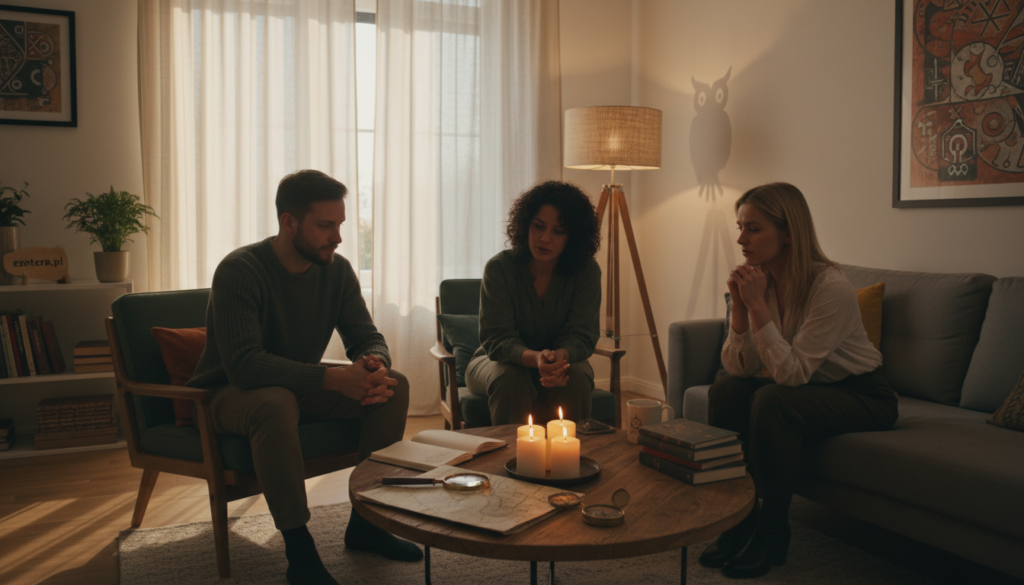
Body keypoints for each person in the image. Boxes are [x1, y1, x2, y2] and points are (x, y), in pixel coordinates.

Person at [187, 170, 422, 585]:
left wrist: (373, 361)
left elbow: (366, 335)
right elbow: (245, 365)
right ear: (289, 222)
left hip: (293, 388)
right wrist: (333, 380)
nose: (337, 237)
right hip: (226, 394)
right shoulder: (239, 271)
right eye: (326, 226)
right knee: (273, 401)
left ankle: (368, 521)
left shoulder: (336, 270)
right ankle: (299, 548)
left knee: (393, 385)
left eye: (340, 225)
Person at [698, 182, 898, 579]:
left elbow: (791, 374)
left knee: (773, 400)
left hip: (862, 395)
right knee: (725, 390)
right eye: (740, 227)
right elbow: (739, 369)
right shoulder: (762, 281)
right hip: (808, 389)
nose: (740, 239)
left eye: (753, 228)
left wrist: (755, 305)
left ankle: (773, 532)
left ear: (788, 232)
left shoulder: (830, 287)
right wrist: (740, 308)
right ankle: (737, 521)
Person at [465, 181, 602, 425]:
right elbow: (496, 340)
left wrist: (559, 357)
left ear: (573, 237)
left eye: (558, 231)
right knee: (511, 380)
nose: (544, 238)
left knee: (577, 376)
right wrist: (536, 358)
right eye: (538, 226)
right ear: (525, 225)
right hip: (496, 362)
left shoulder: (587, 271)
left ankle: (573, 458)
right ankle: (511, 459)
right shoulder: (499, 268)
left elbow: (583, 334)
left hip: (559, 361)